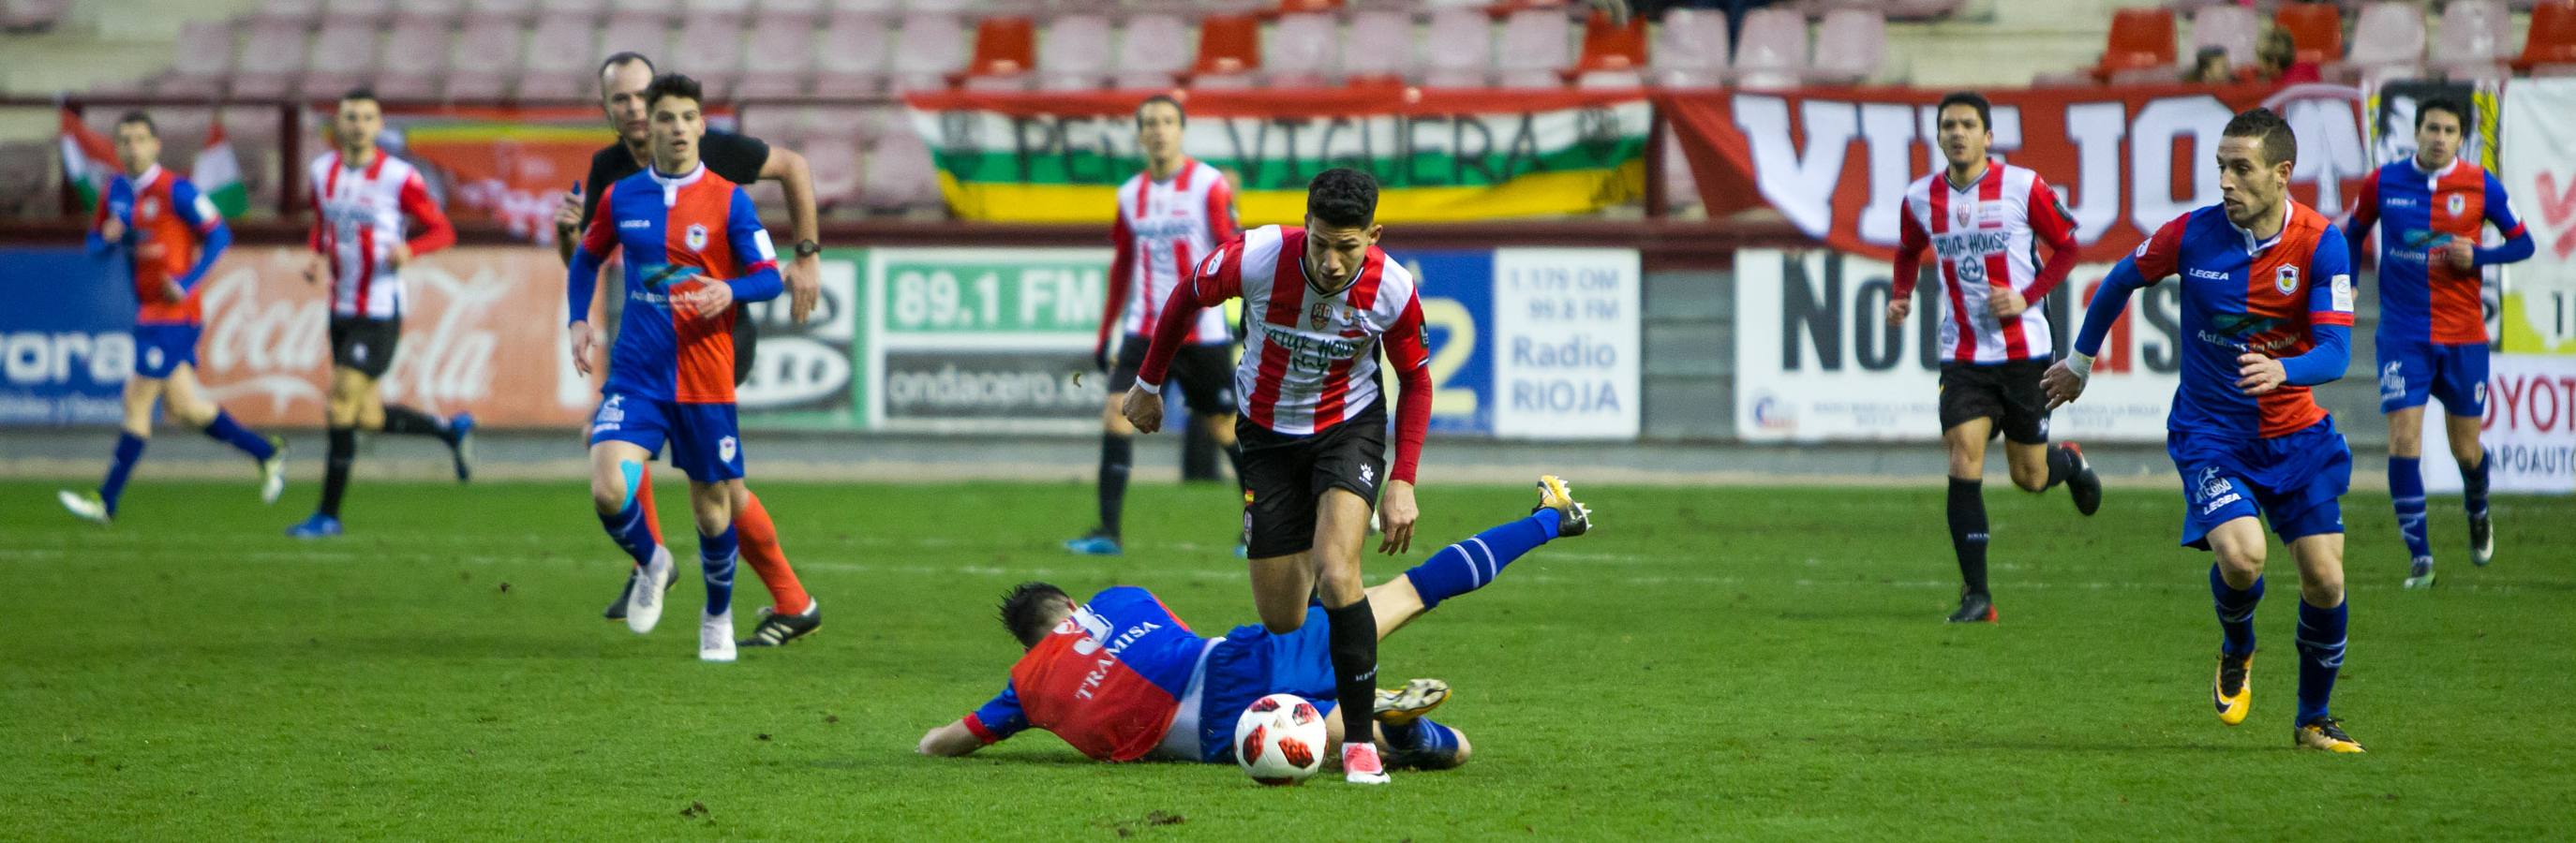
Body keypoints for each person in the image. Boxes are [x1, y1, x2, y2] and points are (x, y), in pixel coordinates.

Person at [2044, 108, 2364, 753]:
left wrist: (2284, 370)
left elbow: (2335, 354)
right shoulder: (2191, 235)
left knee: (2325, 581)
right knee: (2243, 558)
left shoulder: (2320, 243)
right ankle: (2236, 645)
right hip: (2210, 433)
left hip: (2296, 437)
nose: (2225, 181)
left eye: (2240, 168)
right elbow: (2117, 281)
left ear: (2281, 173)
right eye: (2220, 167)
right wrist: (2078, 361)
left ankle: (2311, 721)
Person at [918, 477, 1593, 772]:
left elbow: (944, 743)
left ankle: (1390, 728)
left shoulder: (1026, 685)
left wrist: (939, 740)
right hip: (1247, 654)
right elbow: (1170, 641)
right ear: (1070, 607)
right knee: (1411, 590)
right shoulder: (1121, 599)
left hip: (1229, 727)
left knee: (1427, 746)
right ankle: (1547, 517)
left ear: (1033, 638)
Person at [1121, 168, 1433, 784]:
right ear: (1306, 227)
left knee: (1338, 572)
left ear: (1372, 235)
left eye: (1348, 247)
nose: (1333, 261)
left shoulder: (1392, 289)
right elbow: (1186, 294)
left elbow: (1417, 379)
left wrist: (1403, 479)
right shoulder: (1259, 256)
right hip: (1265, 439)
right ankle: (1342, 622)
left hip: (1349, 429)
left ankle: (1358, 745)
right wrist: (1147, 382)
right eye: (1321, 243)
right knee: (1283, 617)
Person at [556, 52, 824, 646]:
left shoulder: (718, 161)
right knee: (611, 448)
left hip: (718, 335)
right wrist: (568, 260)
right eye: (622, 99)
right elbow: (590, 254)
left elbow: (794, 168)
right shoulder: (612, 178)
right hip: (647, 350)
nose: (634, 107)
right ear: (612, 111)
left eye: (639, 94)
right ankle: (653, 565)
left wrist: (806, 254)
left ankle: (778, 600)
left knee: (718, 494)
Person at [1886, 91, 2103, 625]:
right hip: (1961, 353)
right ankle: (1977, 596)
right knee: (1964, 455)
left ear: (1988, 136)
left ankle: (2068, 462)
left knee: (2029, 476)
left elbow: (2070, 246)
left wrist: (2027, 297)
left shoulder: (2022, 186)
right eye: (1948, 126)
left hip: (2025, 352)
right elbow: (1907, 247)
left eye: (1968, 125)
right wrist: (1902, 293)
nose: (1957, 133)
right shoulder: (1920, 197)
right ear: (1937, 136)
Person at [56, 111, 286, 525]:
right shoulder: (115, 191)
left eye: (140, 139)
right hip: (148, 311)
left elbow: (220, 234)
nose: (132, 147)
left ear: (155, 145)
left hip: (176, 313)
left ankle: (105, 500)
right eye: (124, 140)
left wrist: (187, 281)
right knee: (185, 407)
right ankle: (266, 451)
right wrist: (106, 237)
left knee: (137, 399)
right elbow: (93, 246)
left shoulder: (176, 190)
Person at [2341, 96, 2533, 589]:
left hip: (2464, 337)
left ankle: (2477, 505)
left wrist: (2482, 255)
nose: (2439, 137)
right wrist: (2348, 283)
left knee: (2465, 449)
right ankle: (2420, 556)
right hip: (2402, 334)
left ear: (2461, 137)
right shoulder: (2383, 182)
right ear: (2417, 131)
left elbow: (2524, 243)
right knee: (2404, 438)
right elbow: (2354, 229)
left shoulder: (2479, 185)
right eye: (2431, 128)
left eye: (2449, 130)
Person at [1068, 94, 1245, 557]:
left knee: (1225, 429)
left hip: (1202, 331)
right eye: (1150, 122)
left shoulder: (1209, 185)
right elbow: (1123, 264)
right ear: (1140, 133)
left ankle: (1260, 526)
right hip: (1144, 329)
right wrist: (1105, 329)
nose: (1159, 129)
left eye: (1167, 121)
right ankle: (1108, 531)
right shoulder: (1130, 194)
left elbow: (1233, 251)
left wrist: (1245, 313)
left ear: (1181, 129)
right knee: (1116, 412)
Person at [287, 88, 468, 540]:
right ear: (338, 124)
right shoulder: (321, 171)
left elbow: (443, 230)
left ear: (378, 124)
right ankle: (446, 430)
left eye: (367, 118)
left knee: (340, 399)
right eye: (351, 117)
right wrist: (315, 256)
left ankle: (328, 514)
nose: (358, 125)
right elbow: (322, 223)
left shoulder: (398, 177)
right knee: (365, 415)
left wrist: (412, 248)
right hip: (340, 306)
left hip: (380, 310)